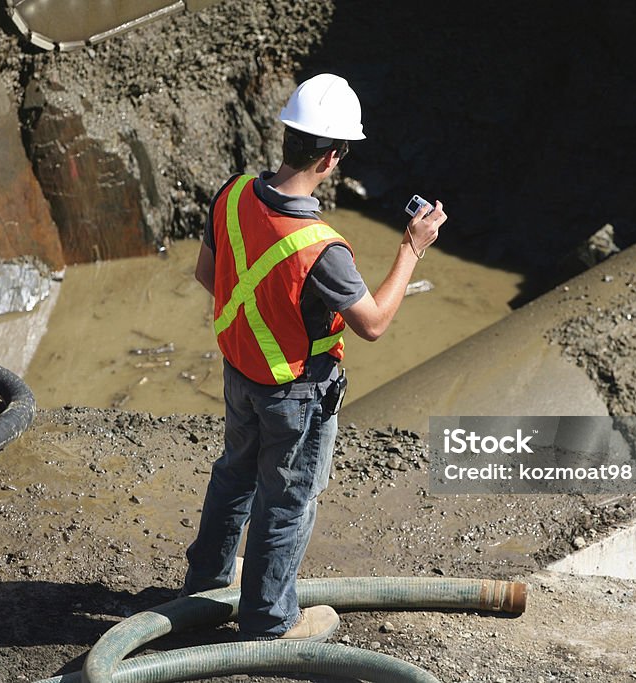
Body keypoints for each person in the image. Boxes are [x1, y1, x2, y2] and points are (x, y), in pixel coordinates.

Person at [182, 73, 447, 642]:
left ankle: (203, 589)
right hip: (296, 394)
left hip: (239, 373)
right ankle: (270, 621)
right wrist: (410, 249)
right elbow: (373, 323)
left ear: (286, 138)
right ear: (333, 157)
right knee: (287, 500)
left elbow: (209, 275)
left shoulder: (231, 194)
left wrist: (262, 325)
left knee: (234, 476)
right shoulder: (322, 249)